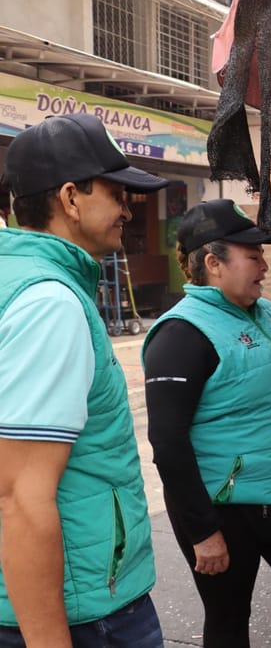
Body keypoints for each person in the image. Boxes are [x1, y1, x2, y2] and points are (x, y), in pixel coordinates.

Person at [142, 199, 271, 647]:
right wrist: (203, 531)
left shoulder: (269, 314)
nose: (264, 264)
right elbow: (167, 441)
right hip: (225, 511)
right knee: (230, 622)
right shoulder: (181, 333)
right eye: (252, 255)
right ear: (214, 263)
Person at [0, 113, 167, 647]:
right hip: (84, 612)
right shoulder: (50, 302)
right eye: (117, 194)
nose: (126, 209)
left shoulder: (19, 282)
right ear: (71, 198)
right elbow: (18, 497)